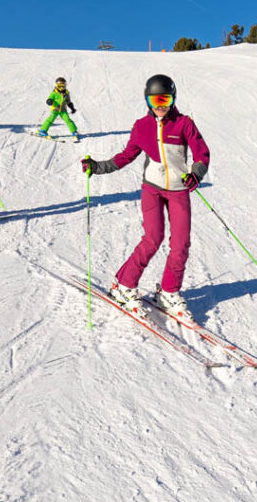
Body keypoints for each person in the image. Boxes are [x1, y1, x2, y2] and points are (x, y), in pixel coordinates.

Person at [80, 74, 209, 320]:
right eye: (154, 100)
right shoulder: (142, 126)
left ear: (173, 99)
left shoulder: (184, 124)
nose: (160, 105)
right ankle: (124, 285)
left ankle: (169, 292)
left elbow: (201, 153)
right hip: (152, 189)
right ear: (147, 100)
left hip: (179, 190)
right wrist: (97, 167)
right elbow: (126, 156)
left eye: (165, 99)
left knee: (181, 244)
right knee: (153, 238)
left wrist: (196, 173)